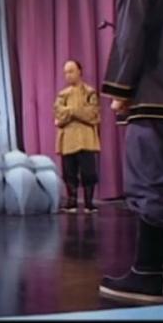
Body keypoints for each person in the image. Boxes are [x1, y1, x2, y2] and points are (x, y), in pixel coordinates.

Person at [99, 0, 163, 303]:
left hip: (158, 99)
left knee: (152, 184)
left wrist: (121, 89)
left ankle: (147, 273)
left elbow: (131, 33)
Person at [54, 59, 101, 213]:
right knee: (69, 172)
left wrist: (70, 111)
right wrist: (78, 111)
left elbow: (92, 115)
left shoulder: (90, 92)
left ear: (79, 71)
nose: (68, 75)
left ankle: (89, 203)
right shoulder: (62, 95)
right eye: (65, 72)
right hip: (68, 139)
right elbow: (58, 116)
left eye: (71, 71)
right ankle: (72, 202)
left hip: (86, 139)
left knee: (89, 172)